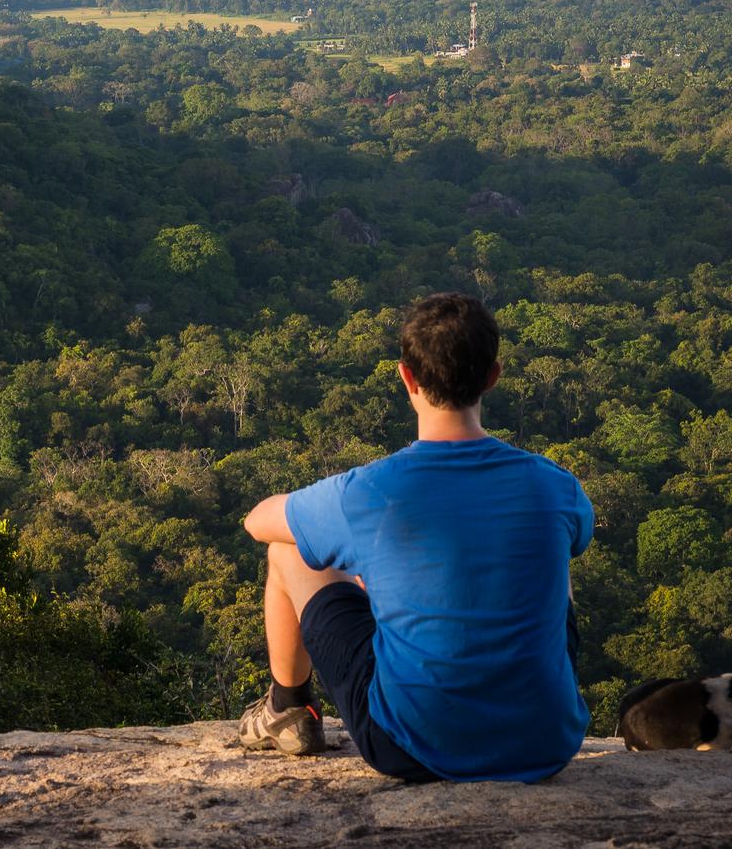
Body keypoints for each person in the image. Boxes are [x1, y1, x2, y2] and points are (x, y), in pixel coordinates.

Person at [237, 291, 592, 782]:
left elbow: (258, 521)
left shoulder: (371, 491)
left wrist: (365, 565)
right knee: (549, 550)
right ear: (493, 375)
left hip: (410, 745)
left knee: (287, 548)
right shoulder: (554, 484)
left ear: (406, 377)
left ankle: (287, 708)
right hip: (545, 743)